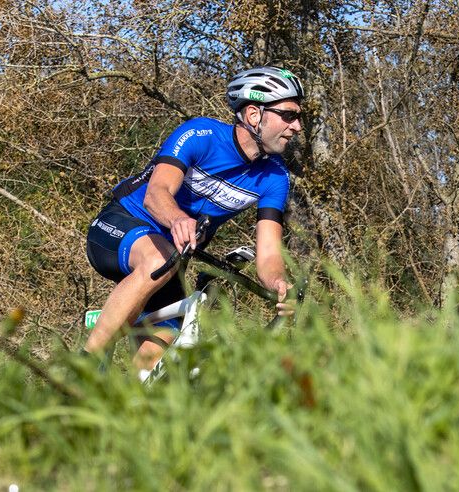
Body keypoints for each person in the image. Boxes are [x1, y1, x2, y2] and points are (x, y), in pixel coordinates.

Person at [82, 66, 304, 369]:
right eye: (289, 115)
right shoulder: (200, 134)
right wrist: (177, 219)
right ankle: (86, 367)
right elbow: (156, 193)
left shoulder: (275, 176)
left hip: (171, 262)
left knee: (157, 367)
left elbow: (268, 253)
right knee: (159, 259)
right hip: (119, 227)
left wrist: (278, 281)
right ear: (254, 114)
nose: (297, 126)